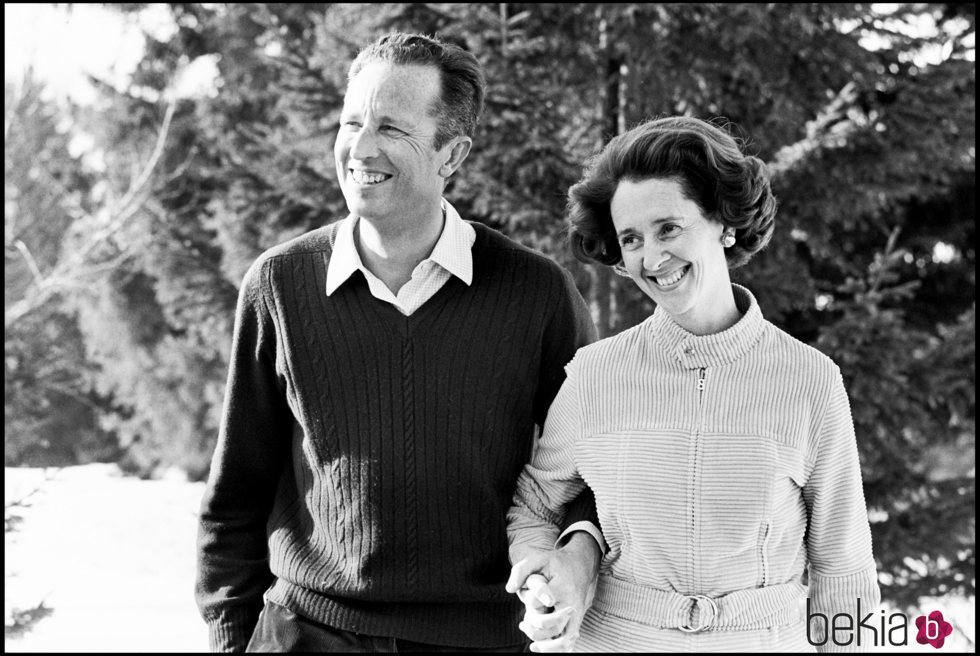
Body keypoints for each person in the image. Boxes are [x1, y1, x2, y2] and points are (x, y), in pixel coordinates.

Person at [195, 32, 603, 652]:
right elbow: (235, 496)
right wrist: (230, 641)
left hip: (482, 640)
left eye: (391, 129)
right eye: (351, 122)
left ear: (452, 154)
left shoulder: (537, 294)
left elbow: (588, 481)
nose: (360, 148)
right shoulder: (278, 284)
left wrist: (572, 565)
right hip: (306, 634)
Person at [506, 116, 881, 652]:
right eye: (630, 238)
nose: (651, 258)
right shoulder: (595, 376)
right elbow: (535, 504)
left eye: (669, 228)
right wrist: (542, 576)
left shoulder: (809, 382)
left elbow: (843, 570)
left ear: (724, 224)